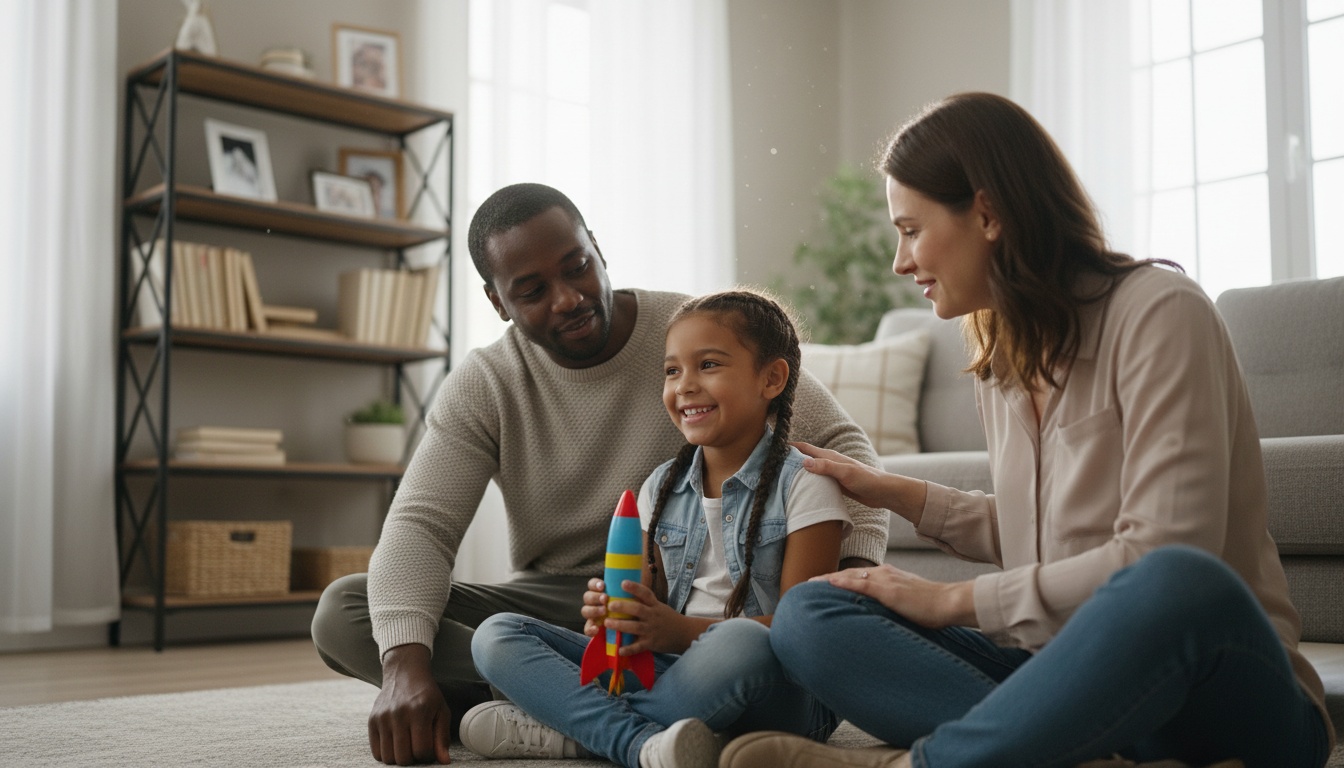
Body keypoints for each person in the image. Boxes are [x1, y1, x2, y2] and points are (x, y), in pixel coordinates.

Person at [719, 93, 1335, 768]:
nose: (900, 260)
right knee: (811, 616)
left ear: (988, 214)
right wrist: (896, 492)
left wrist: (953, 601)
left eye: (912, 229)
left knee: (1177, 578)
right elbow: (1045, 533)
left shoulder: (1160, 312)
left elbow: (1161, 553)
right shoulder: (1000, 354)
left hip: (1215, 692)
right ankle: (1058, 749)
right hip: (1068, 680)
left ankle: (935, 763)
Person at [309, 183, 889, 766]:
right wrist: (403, 669)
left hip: (677, 603)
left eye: (577, 267)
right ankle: (624, 710)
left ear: (598, 250)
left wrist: (841, 596)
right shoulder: (486, 382)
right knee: (348, 613)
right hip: (565, 603)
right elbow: (420, 525)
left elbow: (845, 446)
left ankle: (558, 712)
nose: (567, 298)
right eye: (532, 291)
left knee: (740, 646)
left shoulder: (691, 334)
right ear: (497, 301)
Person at [459, 290, 848, 768]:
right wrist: (618, 621)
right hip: (673, 674)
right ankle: (645, 743)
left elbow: (801, 632)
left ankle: (584, 733)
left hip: (780, 686)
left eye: (708, 365)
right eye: (671, 371)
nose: (684, 385)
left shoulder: (806, 484)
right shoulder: (659, 488)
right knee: (496, 635)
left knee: (738, 644)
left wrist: (681, 632)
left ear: (772, 378)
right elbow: (649, 609)